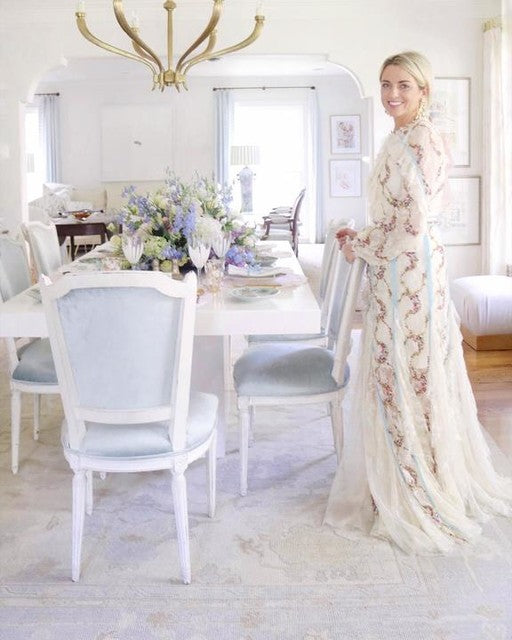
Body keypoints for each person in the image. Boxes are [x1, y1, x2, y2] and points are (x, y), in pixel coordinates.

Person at [324, 51, 512, 554]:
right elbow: (393, 216)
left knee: (410, 373)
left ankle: (417, 484)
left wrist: (362, 244)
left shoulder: (423, 138)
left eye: (403, 85)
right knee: (391, 373)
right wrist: (361, 238)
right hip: (395, 270)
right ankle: (390, 477)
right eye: (386, 84)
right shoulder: (398, 136)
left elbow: (413, 225)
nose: (392, 94)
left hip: (411, 274)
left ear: (423, 91)